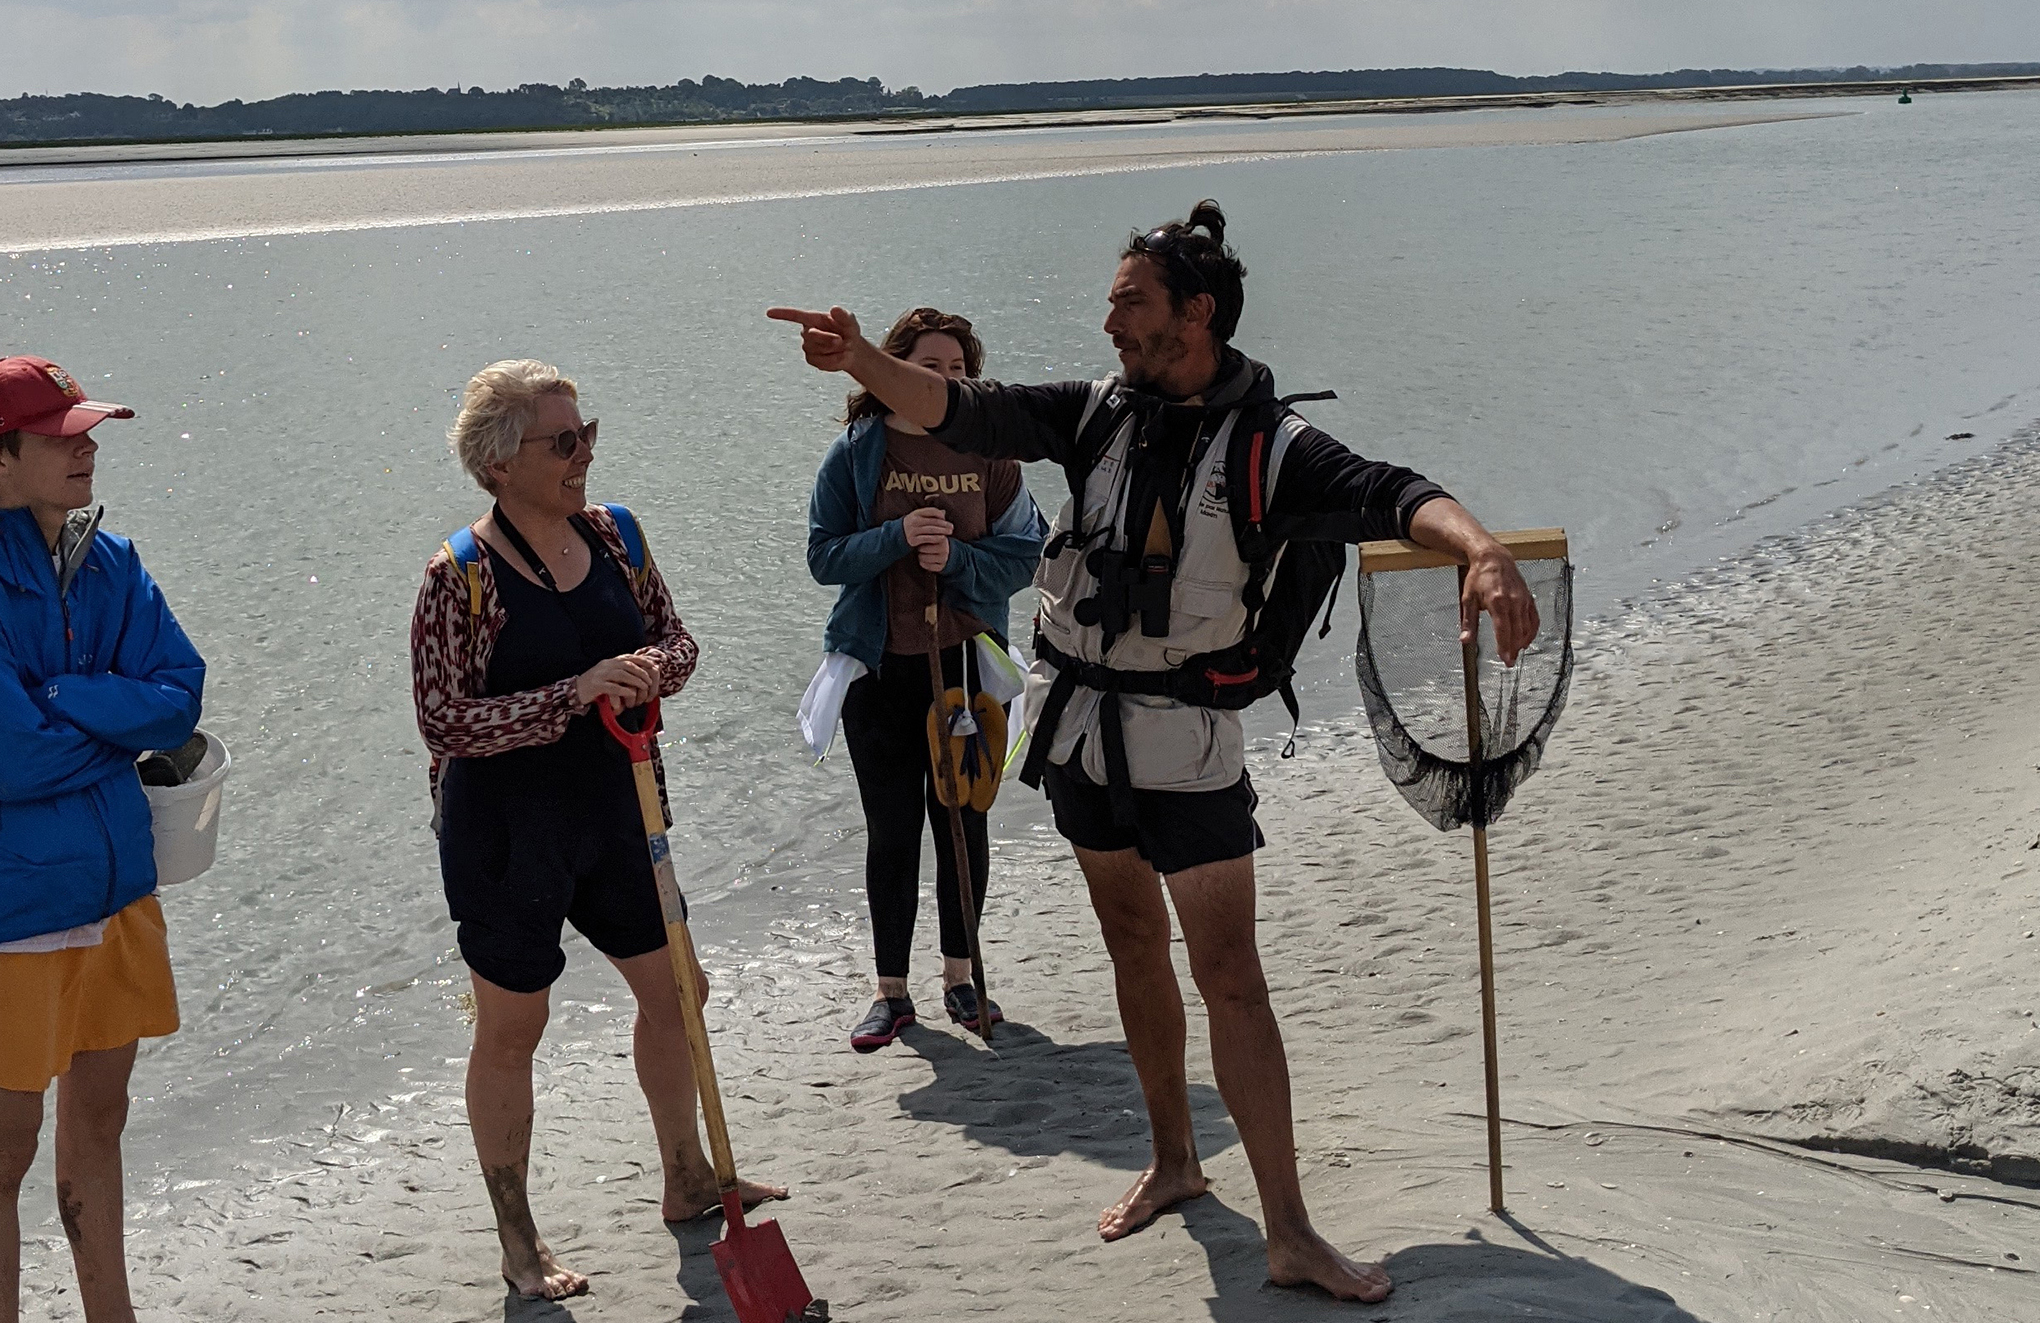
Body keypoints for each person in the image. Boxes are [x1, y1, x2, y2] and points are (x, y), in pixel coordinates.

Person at [771, 201, 1538, 1304]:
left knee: (1230, 976)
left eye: (1129, 299)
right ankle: (1175, 1160)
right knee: (1132, 945)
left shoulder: (1271, 444)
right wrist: (862, 360)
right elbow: (965, 407)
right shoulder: (1093, 414)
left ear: (1198, 312)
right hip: (1081, 727)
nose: (1108, 319)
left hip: (1186, 742)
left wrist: (1482, 553)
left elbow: (1390, 491)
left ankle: (1287, 1227)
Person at [410, 359, 785, 1300]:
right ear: (499, 463)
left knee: (679, 992)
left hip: (623, 811)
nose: (584, 455)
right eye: (562, 441)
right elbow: (444, 721)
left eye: (588, 435)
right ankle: (518, 1239)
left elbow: (679, 639)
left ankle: (687, 1177)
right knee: (514, 1028)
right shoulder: (458, 577)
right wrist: (568, 697)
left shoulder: (616, 535)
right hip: (506, 834)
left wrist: (649, 670)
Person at [0, 356, 206, 1323]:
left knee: (104, 1121)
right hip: (12, 906)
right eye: (62, 435)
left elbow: (180, 698)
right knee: (3, 1147)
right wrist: (112, 735)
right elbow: (8, 765)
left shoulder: (111, 562)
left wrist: (66, 702)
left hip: (119, 886)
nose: (87, 448)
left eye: (88, 430)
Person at [806, 308, 1044, 1050]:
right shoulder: (856, 453)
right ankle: (890, 992)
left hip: (966, 668)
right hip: (879, 669)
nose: (944, 380)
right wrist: (898, 538)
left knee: (962, 819)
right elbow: (824, 557)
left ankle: (962, 978)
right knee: (892, 828)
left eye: (957, 369)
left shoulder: (991, 454)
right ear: (892, 371)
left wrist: (959, 563)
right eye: (929, 366)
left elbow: (1026, 558)